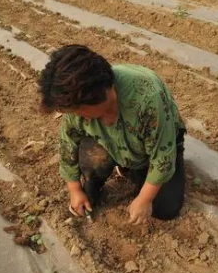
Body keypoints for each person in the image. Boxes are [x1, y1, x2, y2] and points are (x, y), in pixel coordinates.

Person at [38, 45, 186, 225]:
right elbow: (68, 145)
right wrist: (75, 190)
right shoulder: (77, 102)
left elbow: (162, 156)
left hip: (156, 146)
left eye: (80, 111)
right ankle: (105, 176)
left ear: (102, 95)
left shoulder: (147, 98)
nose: (77, 116)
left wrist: (144, 199)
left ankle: (137, 169)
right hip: (109, 142)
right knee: (92, 158)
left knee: (164, 208)